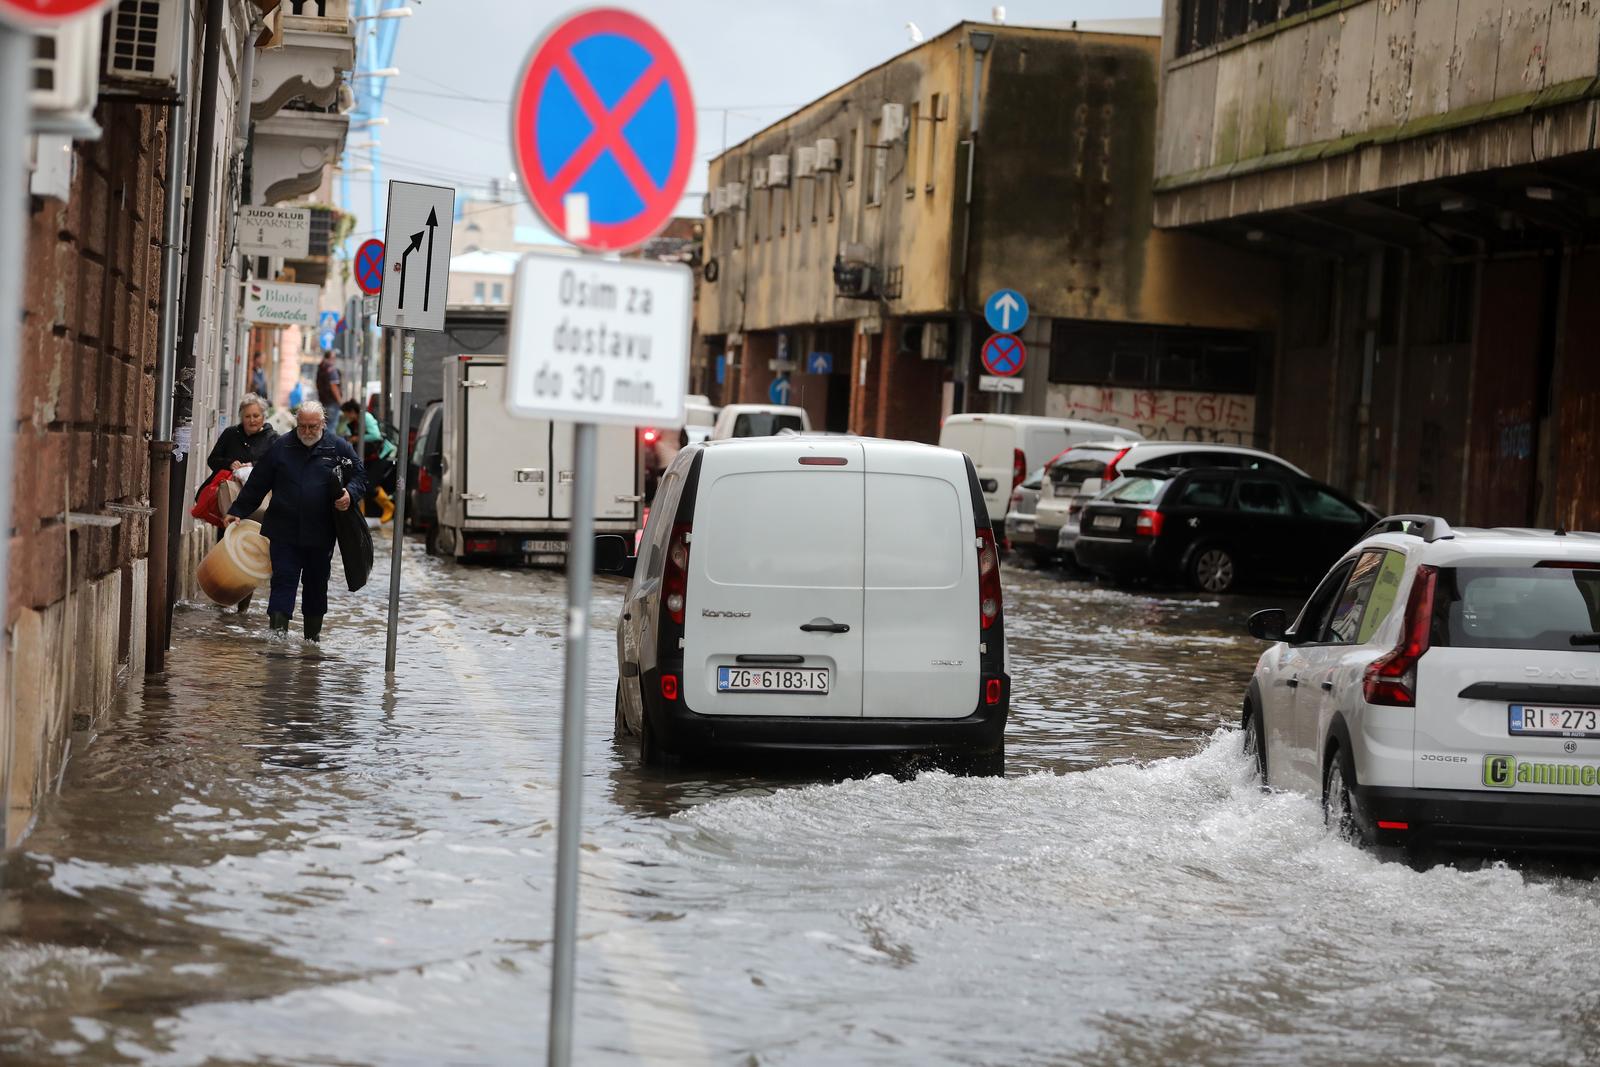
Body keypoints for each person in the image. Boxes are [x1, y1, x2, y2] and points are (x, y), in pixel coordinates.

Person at [225, 400, 366, 643]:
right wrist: (237, 510)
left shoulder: (337, 448)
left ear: (323, 424)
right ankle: (278, 639)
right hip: (284, 530)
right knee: (283, 581)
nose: (308, 432)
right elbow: (259, 482)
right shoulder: (282, 446)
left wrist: (349, 494)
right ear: (296, 424)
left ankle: (312, 641)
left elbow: (360, 475)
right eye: (303, 427)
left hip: (321, 533)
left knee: (316, 585)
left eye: (313, 427)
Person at [337, 399, 397, 523]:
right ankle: (361, 515)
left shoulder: (366, 417)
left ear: (352, 411)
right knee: (361, 484)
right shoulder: (353, 423)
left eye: (347, 414)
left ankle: (388, 507)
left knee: (369, 485)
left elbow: (375, 435)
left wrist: (357, 438)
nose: (346, 417)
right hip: (367, 457)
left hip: (380, 456)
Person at [207, 393, 278, 477]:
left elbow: (276, 465)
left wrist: (252, 465)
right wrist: (229, 464)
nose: (252, 420)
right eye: (247, 416)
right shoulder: (230, 433)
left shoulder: (273, 439)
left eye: (256, 416)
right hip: (226, 487)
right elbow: (212, 460)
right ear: (241, 418)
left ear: (263, 417)